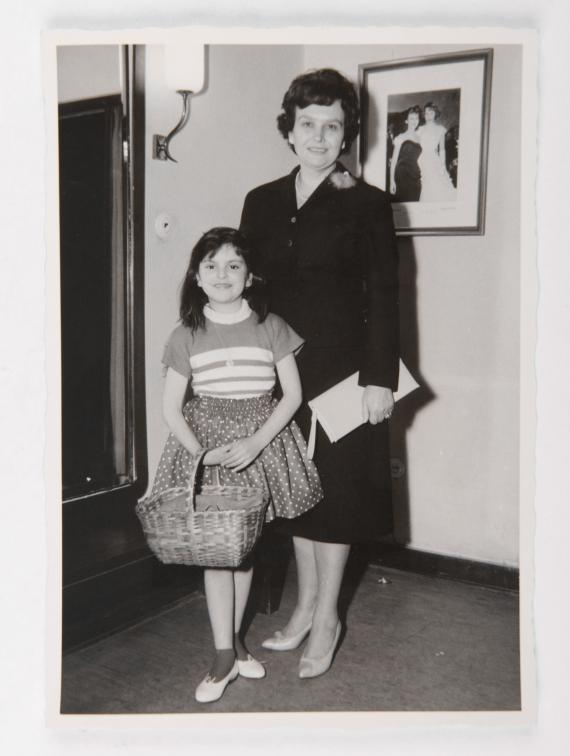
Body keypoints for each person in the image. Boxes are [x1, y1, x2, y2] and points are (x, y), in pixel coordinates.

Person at [240, 68, 399, 679]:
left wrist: (379, 378)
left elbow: (385, 295)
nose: (319, 136)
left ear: (347, 135)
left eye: (333, 126)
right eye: (308, 124)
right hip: (281, 373)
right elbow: (250, 291)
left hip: (346, 373)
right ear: (290, 130)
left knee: (338, 497)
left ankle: (327, 617)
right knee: (297, 492)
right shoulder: (262, 201)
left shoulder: (366, 202)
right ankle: (305, 607)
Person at [151, 227, 322, 702]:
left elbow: (292, 395)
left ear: (250, 276)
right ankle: (224, 652)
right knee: (217, 550)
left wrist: (257, 442)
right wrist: (201, 456)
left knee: (243, 547)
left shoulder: (271, 325)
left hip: (259, 445)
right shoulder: (186, 333)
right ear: (196, 276)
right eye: (211, 266)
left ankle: (238, 644)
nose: (222, 275)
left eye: (233, 265)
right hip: (209, 449)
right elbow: (171, 409)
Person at [417, 102, 456, 202]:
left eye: (430, 112)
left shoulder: (440, 129)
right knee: (426, 184)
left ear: (435, 114)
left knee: (438, 183)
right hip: (422, 159)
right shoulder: (420, 129)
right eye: (426, 113)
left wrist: (442, 165)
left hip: (434, 159)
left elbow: (442, 149)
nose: (428, 115)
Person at [389, 105, 423, 202]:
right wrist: (392, 181)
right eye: (411, 118)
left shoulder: (420, 138)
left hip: (416, 174)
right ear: (406, 121)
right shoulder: (401, 137)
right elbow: (394, 160)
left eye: (416, 118)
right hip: (402, 174)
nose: (414, 121)